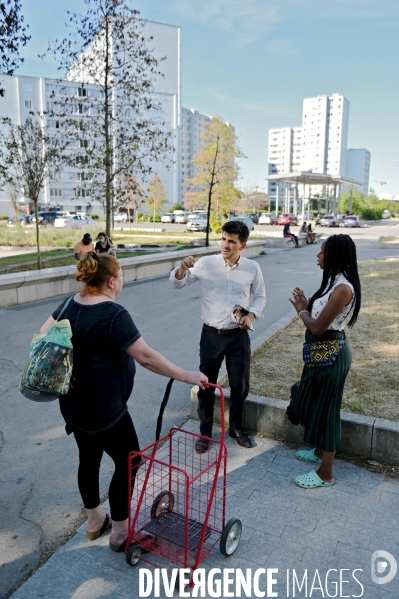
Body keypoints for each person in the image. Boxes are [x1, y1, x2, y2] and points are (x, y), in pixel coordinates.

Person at [38, 253, 207, 552]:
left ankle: (94, 522)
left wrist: (69, 366)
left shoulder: (69, 304)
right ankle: (119, 534)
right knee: (129, 461)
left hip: (75, 406)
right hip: (107, 410)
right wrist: (185, 375)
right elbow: (145, 357)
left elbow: (42, 336)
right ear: (112, 280)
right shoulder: (113, 313)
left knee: (88, 459)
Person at [170, 220, 266, 452]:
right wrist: (182, 267)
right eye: (223, 239)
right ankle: (204, 432)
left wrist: (251, 316)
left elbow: (260, 296)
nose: (225, 244)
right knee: (206, 384)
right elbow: (178, 283)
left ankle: (235, 428)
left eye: (231, 241)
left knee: (239, 385)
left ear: (242, 246)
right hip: (211, 336)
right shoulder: (207, 264)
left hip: (238, 337)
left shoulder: (252, 268)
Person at [286, 235, 361, 488]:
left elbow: (318, 328)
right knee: (317, 403)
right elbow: (322, 315)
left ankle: (325, 474)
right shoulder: (334, 282)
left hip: (331, 354)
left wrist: (301, 311)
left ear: (335, 256)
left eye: (321, 252)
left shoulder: (343, 288)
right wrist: (309, 305)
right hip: (321, 353)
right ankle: (319, 451)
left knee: (329, 411)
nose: (317, 255)